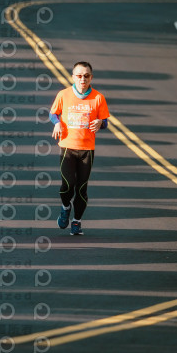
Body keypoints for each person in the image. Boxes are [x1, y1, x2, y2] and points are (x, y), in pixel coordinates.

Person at [50, 62, 109, 236]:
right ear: (73, 77)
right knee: (68, 184)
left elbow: (105, 121)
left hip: (87, 149)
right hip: (68, 147)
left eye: (86, 76)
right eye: (79, 75)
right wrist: (57, 123)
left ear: (91, 77)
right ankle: (65, 207)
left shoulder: (98, 98)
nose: (83, 79)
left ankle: (77, 221)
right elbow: (53, 113)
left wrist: (100, 122)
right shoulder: (64, 94)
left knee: (81, 187)